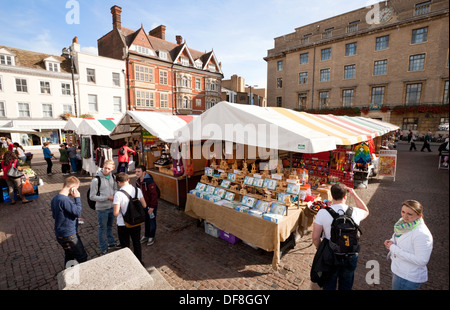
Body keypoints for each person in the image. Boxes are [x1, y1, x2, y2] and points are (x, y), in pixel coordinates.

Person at [312, 183, 369, 290]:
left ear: (331, 195)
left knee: (329, 284)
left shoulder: (323, 212)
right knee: (346, 285)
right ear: (345, 196)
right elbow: (366, 211)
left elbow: (315, 237)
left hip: (331, 253)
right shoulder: (355, 211)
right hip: (350, 252)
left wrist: (319, 248)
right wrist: (354, 194)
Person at [384, 200, 433, 290]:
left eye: (410, 214)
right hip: (398, 269)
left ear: (419, 215)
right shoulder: (403, 224)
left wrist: (393, 248)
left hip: (408, 276)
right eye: (403, 212)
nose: (405, 216)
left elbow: (421, 260)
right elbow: (398, 237)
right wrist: (391, 241)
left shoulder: (422, 234)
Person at [50, 176, 88, 267]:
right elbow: (77, 212)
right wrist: (77, 198)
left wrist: (75, 220)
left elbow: (57, 216)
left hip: (61, 234)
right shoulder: (65, 200)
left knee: (69, 255)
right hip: (69, 235)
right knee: (82, 257)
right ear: (72, 188)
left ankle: (69, 275)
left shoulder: (55, 199)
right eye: (77, 189)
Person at [113, 172, 146, 264]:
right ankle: (139, 262)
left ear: (118, 182)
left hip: (123, 223)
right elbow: (144, 205)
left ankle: (128, 264)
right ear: (128, 180)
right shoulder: (137, 190)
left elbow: (116, 213)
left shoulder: (118, 194)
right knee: (136, 243)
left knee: (125, 245)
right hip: (136, 221)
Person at [89, 159, 119, 255]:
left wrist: (114, 195)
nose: (106, 170)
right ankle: (103, 248)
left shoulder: (113, 177)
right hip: (102, 208)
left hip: (111, 206)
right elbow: (92, 196)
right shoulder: (96, 180)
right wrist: (107, 197)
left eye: (108, 168)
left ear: (113, 169)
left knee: (110, 226)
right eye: (105, 168)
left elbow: (115, 188)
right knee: (102, 228)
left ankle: (111, 243)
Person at [135, 165, 158, 246]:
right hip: (144, 205)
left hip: (151, 205)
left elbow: (154, 195)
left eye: (138, 172)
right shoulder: (138, 181)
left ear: (144, 172)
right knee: (146, 220)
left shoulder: (149, 181)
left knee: (152, 220)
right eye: (136, 171)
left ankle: (151, 236)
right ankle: (146, 235)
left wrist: (152, 207)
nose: (136, 173)